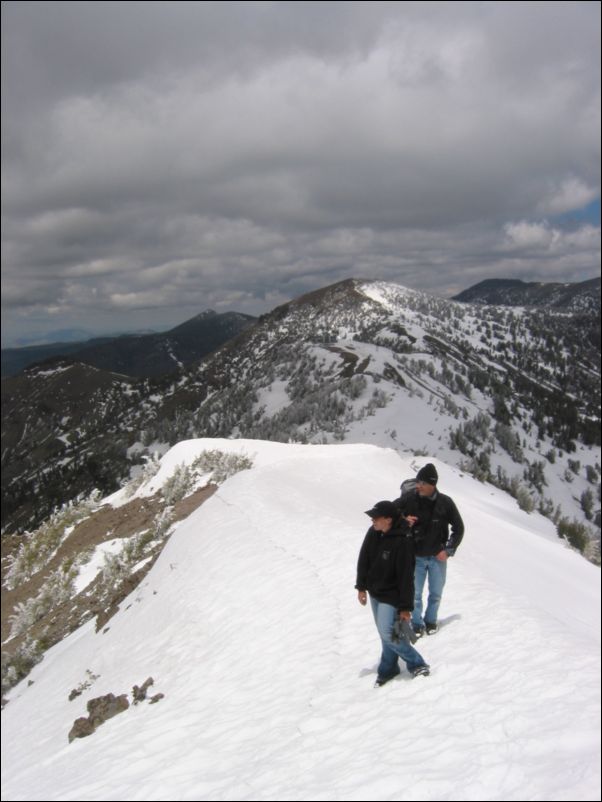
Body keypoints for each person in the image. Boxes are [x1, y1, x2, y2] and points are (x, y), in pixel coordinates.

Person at [355, 500, 430, 686]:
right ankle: (388, 668)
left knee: (387, 632)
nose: (372, 520)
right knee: (385, 633)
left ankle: (416, 663)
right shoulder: (374, 533)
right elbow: (364, 558)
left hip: (392, 596)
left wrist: (405, 607)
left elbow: (406, 577)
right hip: (375, 592)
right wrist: (361, 587)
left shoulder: (403, 541)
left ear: (388, 520)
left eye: (376, 517)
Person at [397, 463, 464, 637]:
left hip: (437, 557)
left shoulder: (445, 503)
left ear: (432, 484)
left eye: (422, 483)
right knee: (415, 594)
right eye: (418, 482)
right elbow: (389, 512)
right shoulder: (410, 499)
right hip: (416, 556)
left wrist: (448, 550)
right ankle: (417, 624)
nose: (418, 486)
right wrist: (403, 519)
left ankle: (431, 621)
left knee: (436, 593)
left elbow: (459, 527)